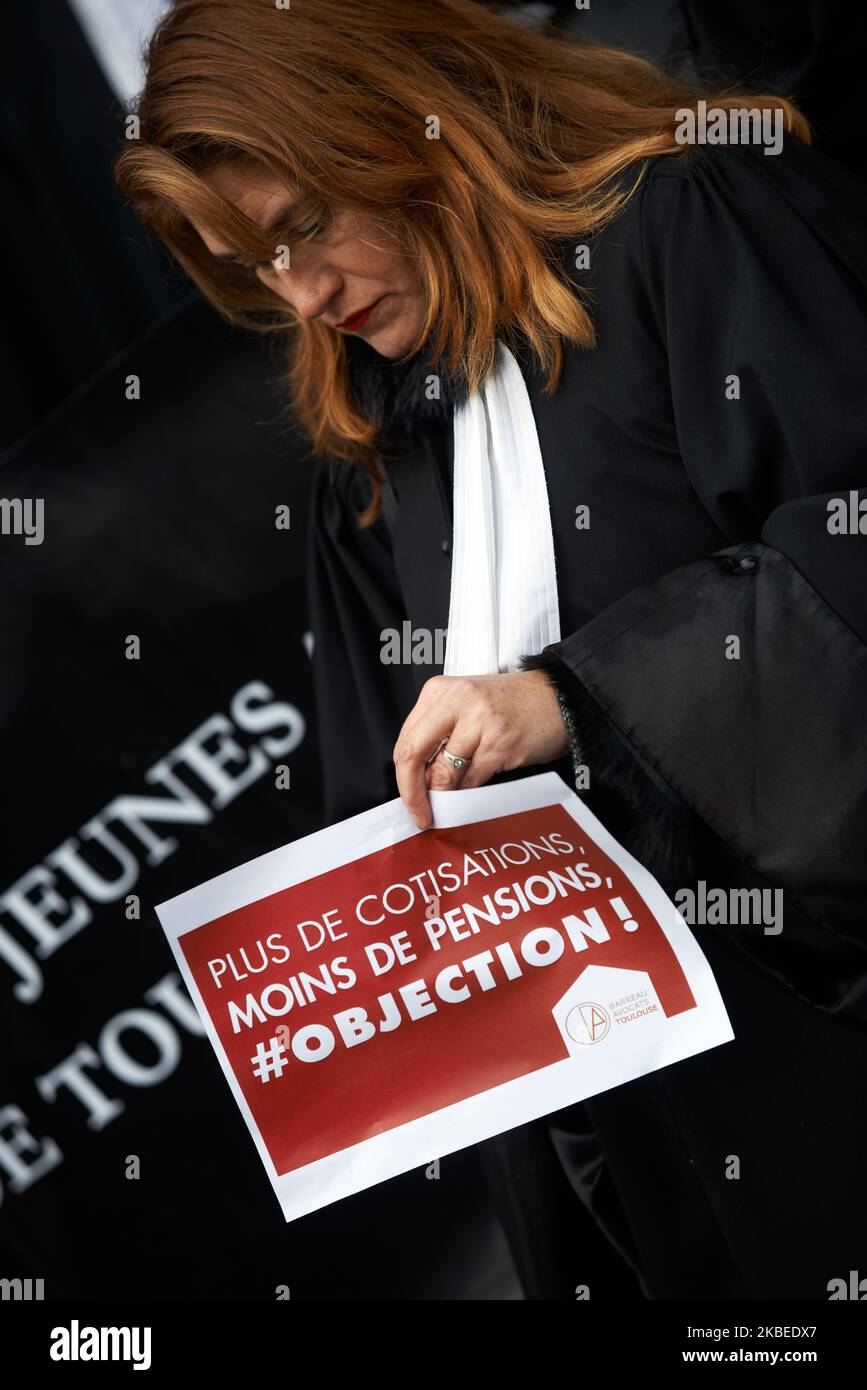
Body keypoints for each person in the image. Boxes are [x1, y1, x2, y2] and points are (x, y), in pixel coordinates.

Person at [116, 0, 867, 1300]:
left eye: (305, 226)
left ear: (403, 123)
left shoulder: (686, 224)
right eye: (255, 268)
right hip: (652, 1192)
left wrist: (578, 702)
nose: (307, 294)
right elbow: (398, 832)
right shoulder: (371, 465)